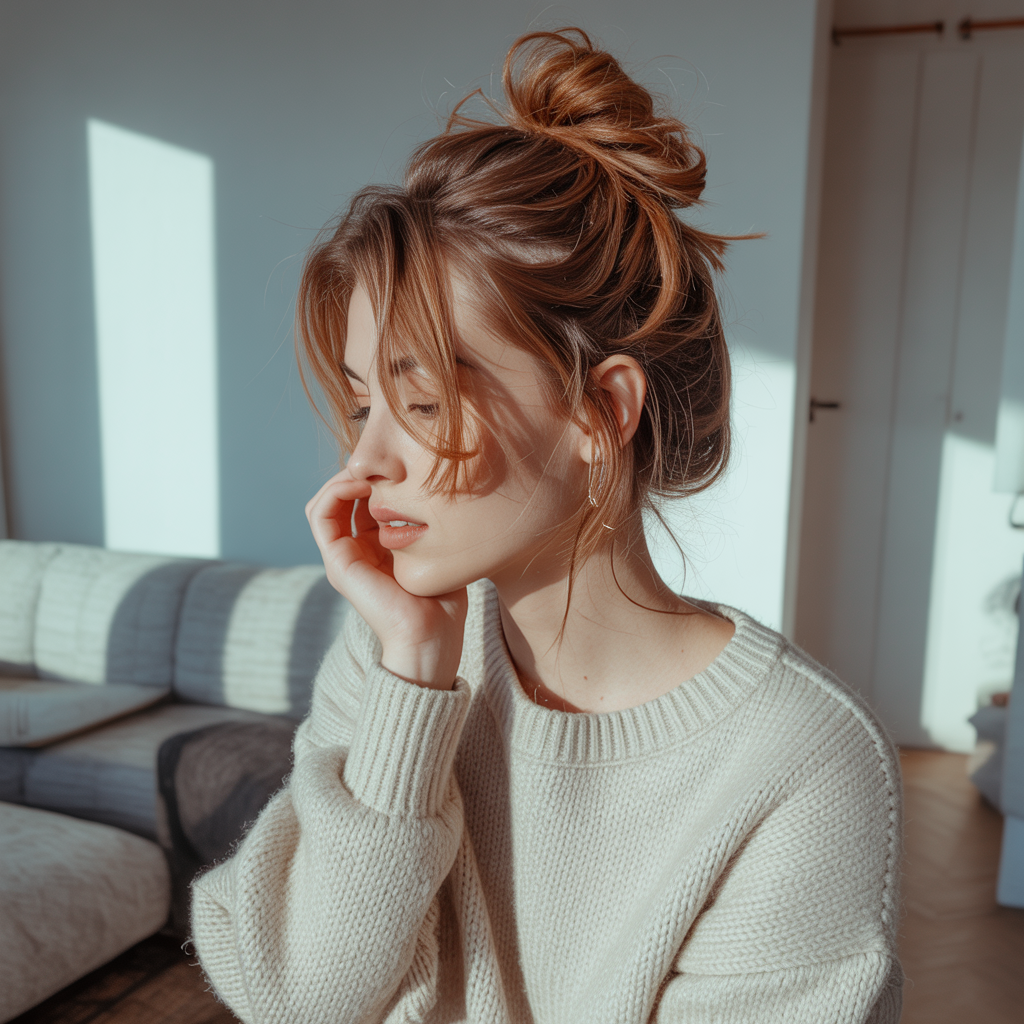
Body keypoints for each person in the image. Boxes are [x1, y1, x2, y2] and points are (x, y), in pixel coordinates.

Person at [190, 27, 903, 1023]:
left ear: (600, 412)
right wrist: (410, 678)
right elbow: (301, 997)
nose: (363, 466)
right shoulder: (397, 662)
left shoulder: (798, 758)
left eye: (426, 402)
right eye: (362, 407)